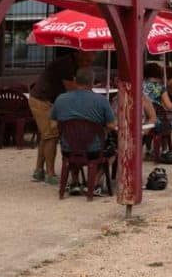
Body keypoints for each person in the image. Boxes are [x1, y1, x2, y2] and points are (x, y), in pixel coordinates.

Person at [28, 50, 95, 184]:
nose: (87, 64)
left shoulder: (74, 63)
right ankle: (50, 173)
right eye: (86, 61)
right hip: (42, 99)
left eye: (90, 62)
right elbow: (72, 89)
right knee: (51, 135)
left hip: (49, 100)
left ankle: (39, 170)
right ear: (78, 54)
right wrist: (91, 96)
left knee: (46, 135)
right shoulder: (66, 64)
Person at [50, 67, 116, 154]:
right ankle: (101, 167)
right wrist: (103, 131)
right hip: (94, 149)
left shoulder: (60, 99)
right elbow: (111, 125)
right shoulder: (102, 100)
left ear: (75, 81)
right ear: (92, 82)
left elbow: (53, 125)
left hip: (68, 149)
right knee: (113, 148)